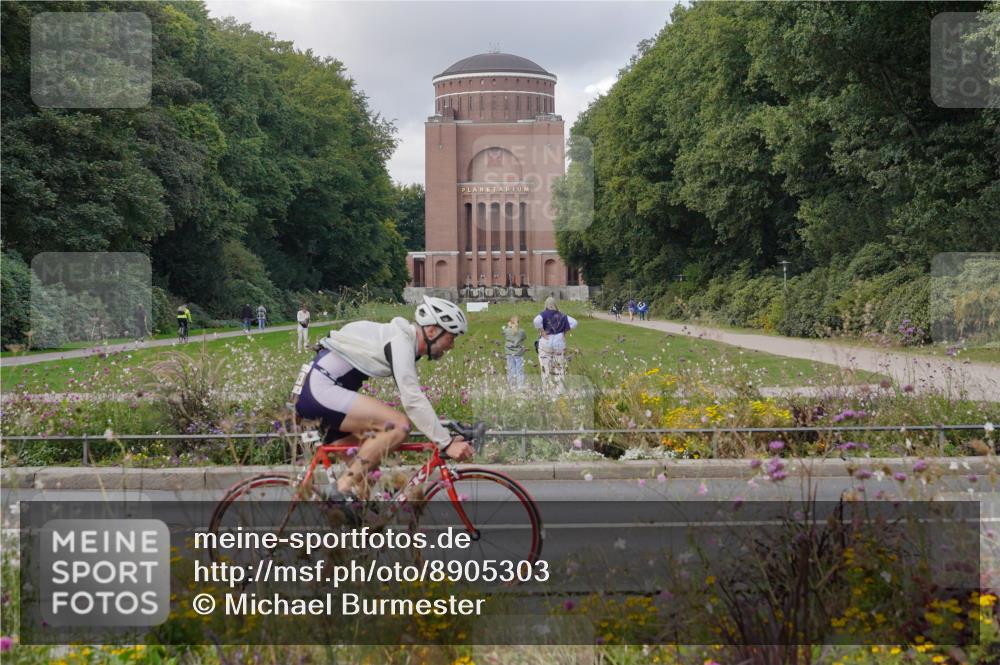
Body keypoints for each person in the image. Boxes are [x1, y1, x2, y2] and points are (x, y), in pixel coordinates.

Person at [293, 296, 473, 501]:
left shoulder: (402, 340)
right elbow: (413, 400)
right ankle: (340, 490)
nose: (451, 346)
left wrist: (445, 430)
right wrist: (446, 443)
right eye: (451, 338)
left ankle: (359, 527)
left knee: (368, 469)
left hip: (322, 394)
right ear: (432, 330)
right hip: (321, 391)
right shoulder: (400, 341)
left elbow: (416, 400)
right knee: (399, 425)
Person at [533, 297, 578, 394]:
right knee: (559, 366)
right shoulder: (562, 315)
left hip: (546, 343)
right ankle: (559, 390)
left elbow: (536, 321)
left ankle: (546, 389)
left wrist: (542, 331)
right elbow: (574, 323)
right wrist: (564, 331)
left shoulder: (543, 314)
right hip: (559, 343)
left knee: (545, 366)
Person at [502, 315, 526, 389]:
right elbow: (524, 337)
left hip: (509, 353)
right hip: (518, 353)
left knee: (511, 370)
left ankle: (511, 386)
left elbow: (503, 333)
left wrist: (508, 326)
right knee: (519, 370)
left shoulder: (506, 330)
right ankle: (520, 386)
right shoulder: (521, 331)